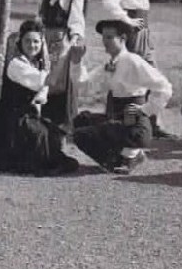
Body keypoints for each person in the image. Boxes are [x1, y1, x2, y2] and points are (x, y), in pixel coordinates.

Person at [0, 20, 80, 175]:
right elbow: (50, 81)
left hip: (26, 114)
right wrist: (64, 54)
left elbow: (44, 88)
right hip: (11, 119)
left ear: (42, 43)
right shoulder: (16, 64)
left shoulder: (37, 63)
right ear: (20, 42)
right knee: (39, 136)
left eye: (36, 41)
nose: (32, 45)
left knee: (52, 134)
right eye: (27, 41)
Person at [72, 20, 173, 174]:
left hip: (134, 122)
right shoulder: (110, 62)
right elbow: (83, 84)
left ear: (122, 39)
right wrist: (77, 61)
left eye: (110, 37)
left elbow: (164, 87)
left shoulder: (133, 61)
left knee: (81, 135)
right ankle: (124, 154)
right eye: (104, 37)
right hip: (116, 117)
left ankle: (127, 156)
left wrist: (146, 109)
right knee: (80, 121)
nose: (105, 42)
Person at [102, 0, 174, 139]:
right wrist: (127, 20)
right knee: (126, 75)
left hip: (143, 32)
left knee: (151, 74)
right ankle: (114, 120)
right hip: (132, 33)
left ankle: (152, 121)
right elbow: (109, 2)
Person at [37, 0, 87, 130]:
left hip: (62, 44)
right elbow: (39, 18)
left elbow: (76, 24)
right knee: (44, 79)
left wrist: (72, 43)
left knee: (60, 83)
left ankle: (63, 124)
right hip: (44, 42)